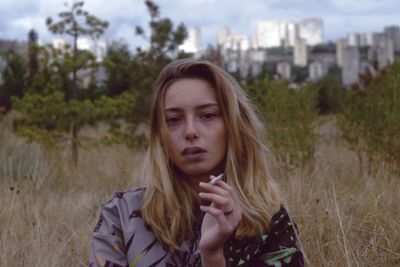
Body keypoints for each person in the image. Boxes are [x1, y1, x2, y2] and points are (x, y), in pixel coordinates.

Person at [89, 59, 304, 267]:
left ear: (233, 125)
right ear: (160, 135)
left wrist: (212, 257)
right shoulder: (124, 216)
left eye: (207, 115)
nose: (190, 131)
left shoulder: (269, 223)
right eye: (173, 119)